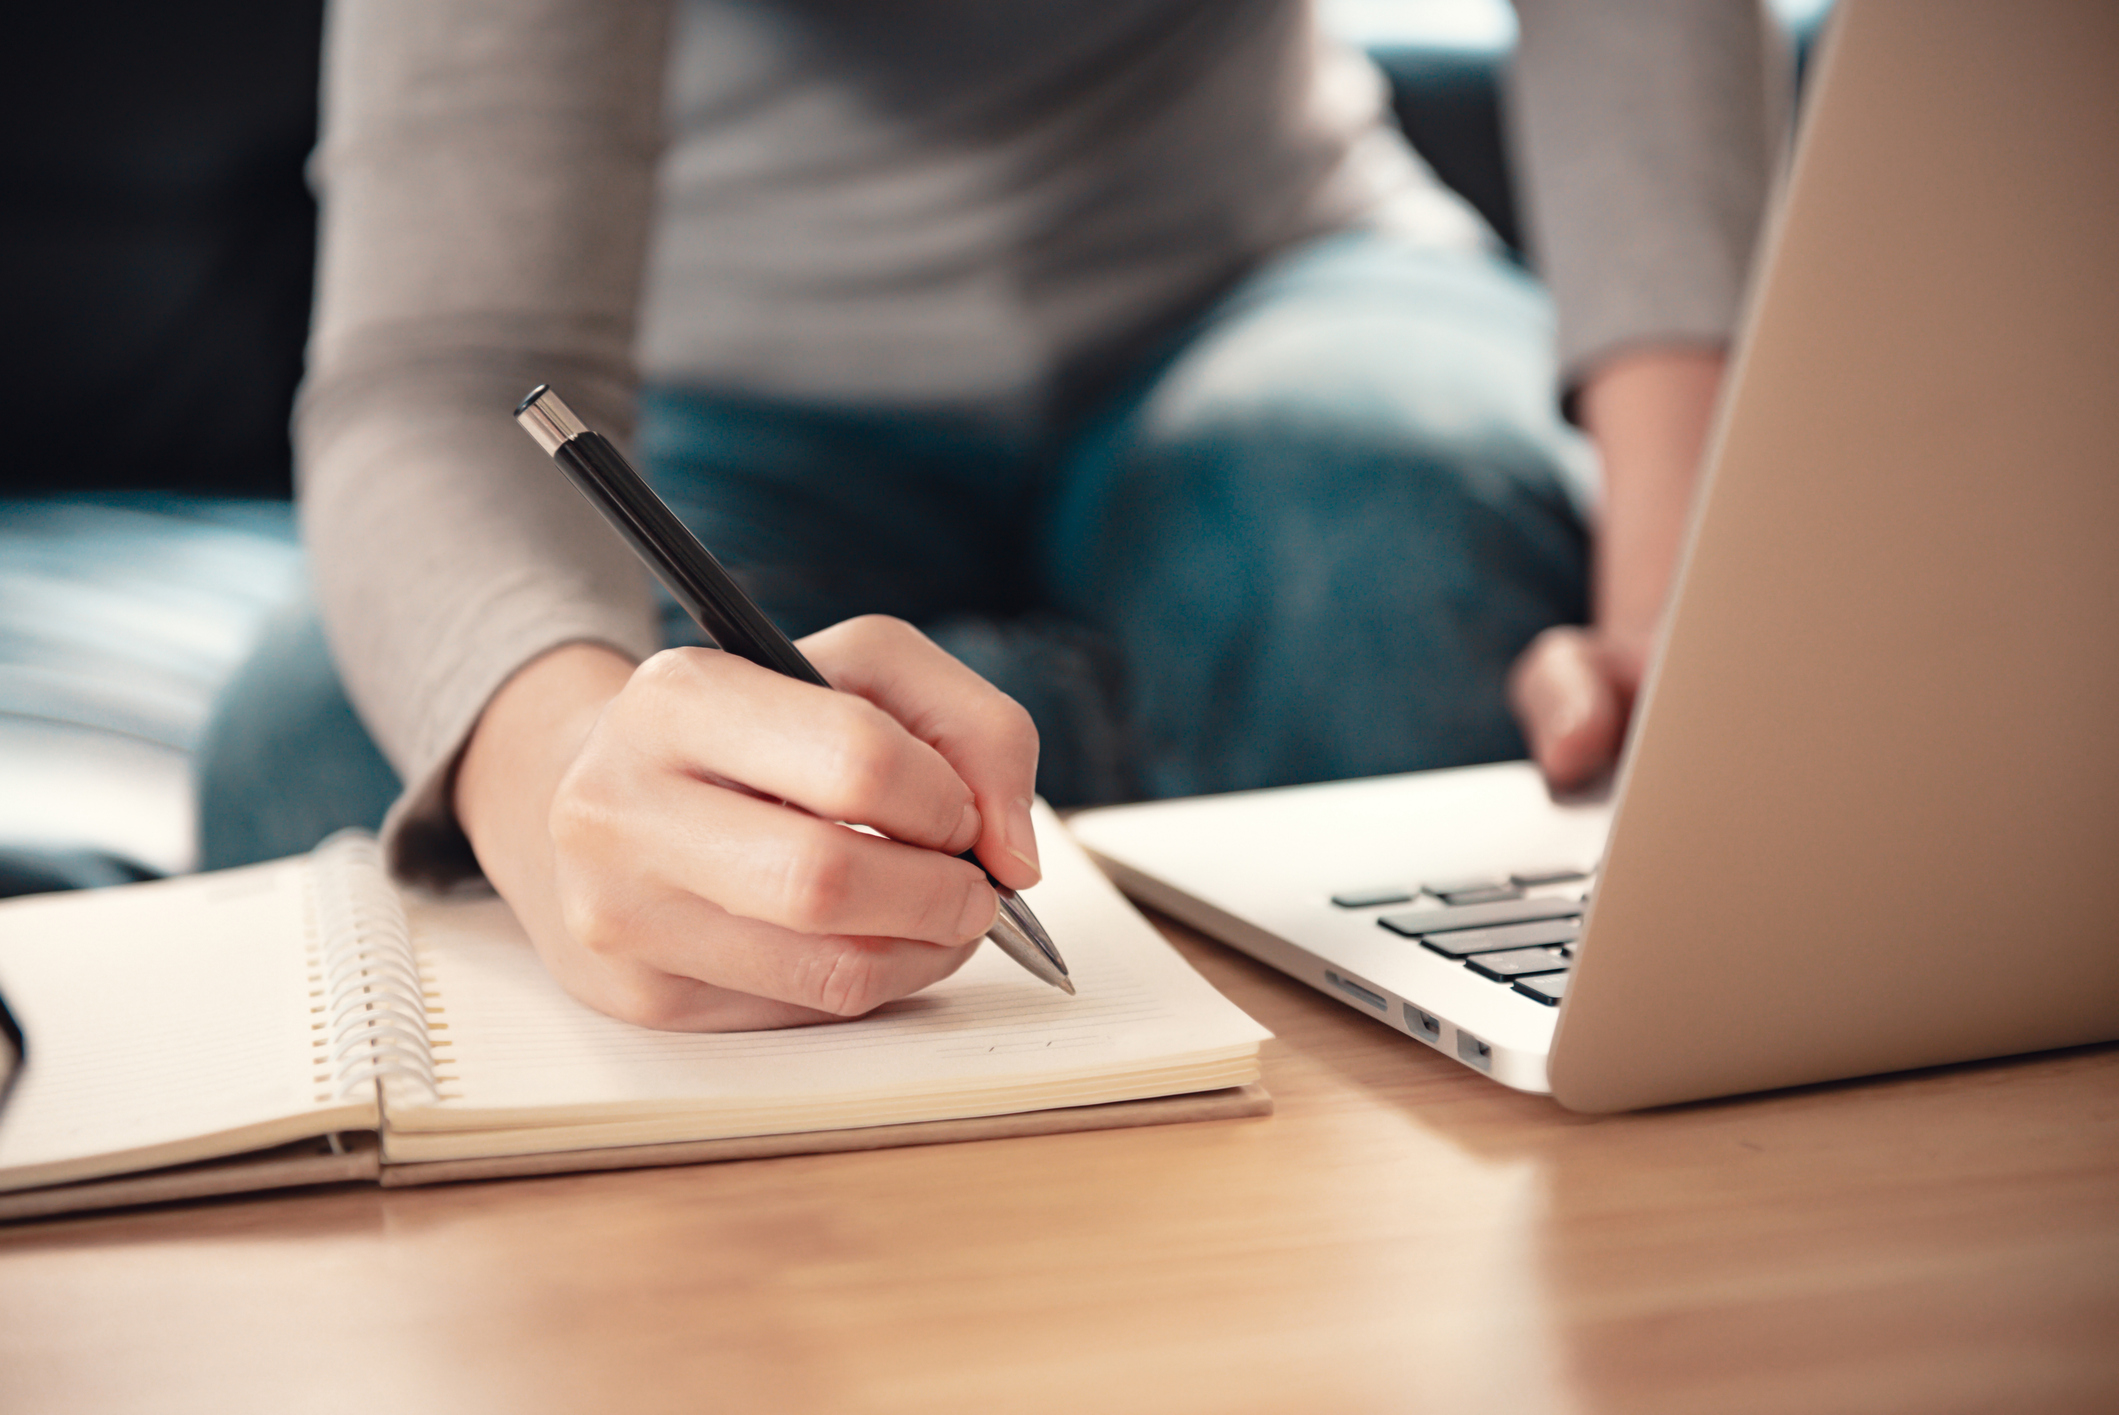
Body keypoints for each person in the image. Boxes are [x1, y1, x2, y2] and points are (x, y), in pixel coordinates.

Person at [199, 0, 1785, 1030]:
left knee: (1397, 562)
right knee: (324, 756)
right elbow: (445, 365)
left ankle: (974, 776)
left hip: (1272, 268)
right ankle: (1126, 750)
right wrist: (556, 793)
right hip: (707, 377)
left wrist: (1670, 603)